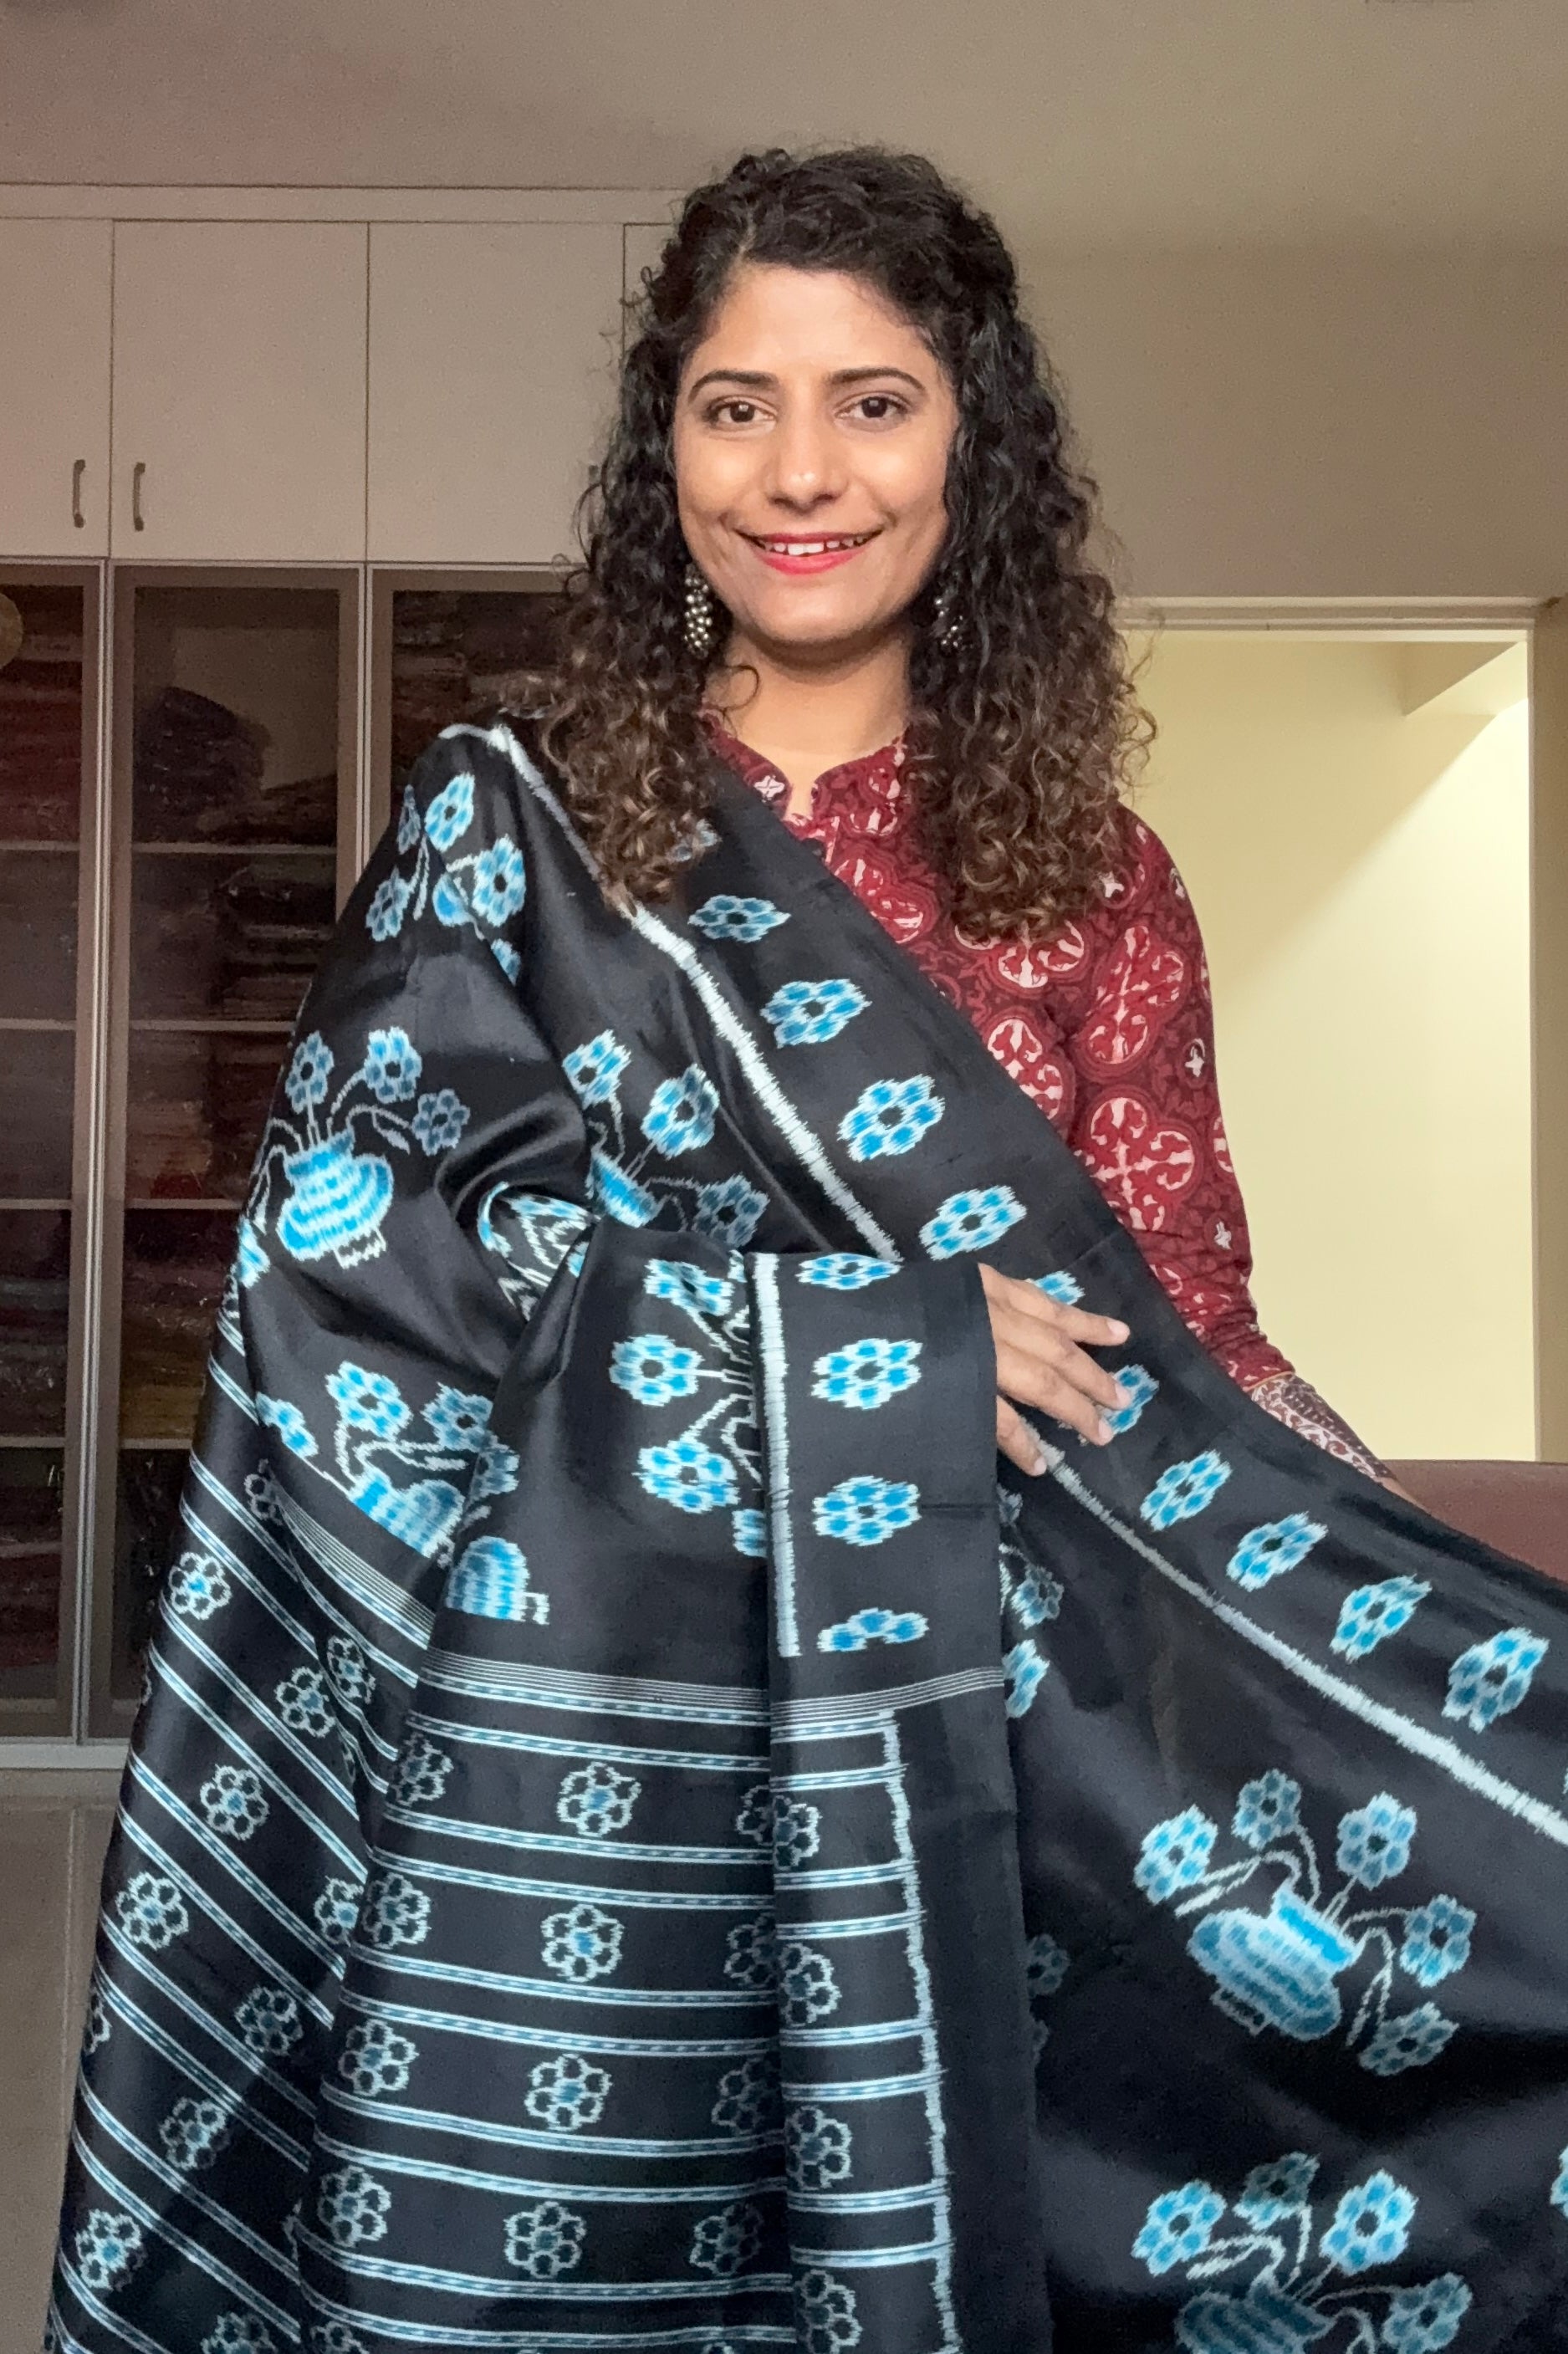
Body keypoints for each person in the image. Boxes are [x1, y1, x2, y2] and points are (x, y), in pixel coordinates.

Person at [53, 150, 1568, 2354]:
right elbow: (356, 1275)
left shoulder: (1092, 879)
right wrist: (877, 1341)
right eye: (733, 404)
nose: (797, 475)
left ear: (973, 445)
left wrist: (1403, 1626)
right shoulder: (514, 833)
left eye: (872, 403)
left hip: (992, 1756)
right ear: (661, 446)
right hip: (591, 1775)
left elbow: (1195, 1343)